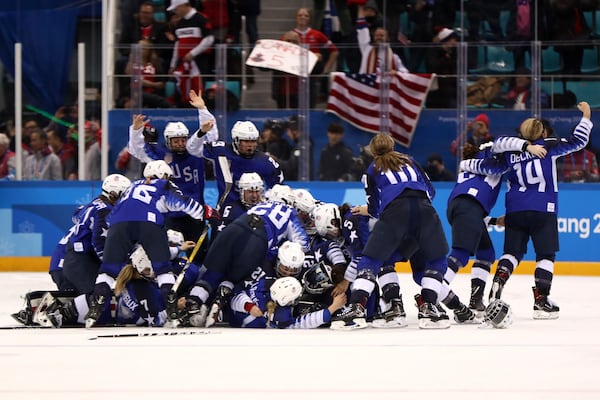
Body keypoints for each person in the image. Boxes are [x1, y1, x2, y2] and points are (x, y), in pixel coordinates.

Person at [461, 102, 593, 319]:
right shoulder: (549, 146)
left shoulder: (511, 152)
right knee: (546, 255)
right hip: (544, 208)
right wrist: (586, 116)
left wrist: (466, 165)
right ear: (542, 132)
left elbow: (490, 166)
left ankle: (497, 284)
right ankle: (541, 301)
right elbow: (579, 141)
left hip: (516, 209)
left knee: (512, 254)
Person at [332, 133, 450, 329]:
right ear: (392, 145)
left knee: (372, 260)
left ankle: (357, 308)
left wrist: (366, 209)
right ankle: (429, 307)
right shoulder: (410, 161)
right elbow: (431, 192)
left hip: (395, 213)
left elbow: (374, 208)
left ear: (372, 151)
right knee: (437, 261)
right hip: (424, 210)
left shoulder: (372, 170)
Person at [85, 160, 220, 328]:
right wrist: (206, 212)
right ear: (162, 175)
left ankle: (96, 305)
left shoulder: (131, 187)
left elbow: (114, 215)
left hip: (118, 224)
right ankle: (171, 309)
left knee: (108, 271)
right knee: (163, 270)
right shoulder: (162, 185)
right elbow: (181, 202)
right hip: (148, 223)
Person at [446, 139, 547, 316]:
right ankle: (434, 291)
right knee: (460, 254)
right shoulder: (490, 164)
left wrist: (493, 221)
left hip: (465, 208)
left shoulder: (474, 165)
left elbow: (472, 213)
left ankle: (476, 300)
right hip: (468, 208)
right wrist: (527, 148)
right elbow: (504, 149)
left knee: (486, 254)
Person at [127, 89, 218, 243]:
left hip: (194, 214)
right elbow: (137, 149)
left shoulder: (196, 152)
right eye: (176, 141)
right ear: (168, 141)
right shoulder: (160, 154)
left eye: (183, 140)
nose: (180, 143)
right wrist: (136, 131)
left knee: (199, 256)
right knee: (170, 253)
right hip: (169, 215)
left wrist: (202, 109)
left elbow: (211, 134)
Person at [61, 174, 132, 295]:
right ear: (113, 194)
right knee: (99, 296)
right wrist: (113, 266)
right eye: (124, 195)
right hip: (83, 261)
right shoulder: (106, 211)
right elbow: (99, 242)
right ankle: (63, 312)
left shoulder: (95, 203)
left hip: (77, 258)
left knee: (100, 294)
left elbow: (76, 215)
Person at [202, 120, 283, 208]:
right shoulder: (221, 151)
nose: (250, 145)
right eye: (246, 141)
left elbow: (277, 189)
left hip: (255, 212)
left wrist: (267, 200)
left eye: (253, 141)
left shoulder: (266, 162)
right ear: (236, 140)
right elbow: (194, 149)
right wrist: (201, 131)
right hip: (226, 210)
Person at [167, 0, 215, 105]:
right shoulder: (180, 23)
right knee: (181, 89)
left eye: (176, 8)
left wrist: (193, 53)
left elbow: (209, 39)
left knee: (198, 91)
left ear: (183, 5)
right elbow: (177, 45)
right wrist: (173, 64)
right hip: (182, 65)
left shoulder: (201, 19)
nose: (175, 11)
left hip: (199, 63)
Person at [292, 7, 339, 107]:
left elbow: (334, 51)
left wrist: (325, 70)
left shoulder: (317, 34)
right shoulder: (290, 35)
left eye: (306, 15)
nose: (303, 17)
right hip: (294, 77)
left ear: (309, 19)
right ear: (296, 18)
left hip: (313, 76)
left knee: (311, 104)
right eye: (300, 15)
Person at [355, 4, 408, 74]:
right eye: (376, 35)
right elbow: (361, 28)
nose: (378, 37)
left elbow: (405, 73)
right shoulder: (366, 49)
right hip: (367, 84)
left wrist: (396, 72)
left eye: (381, 35)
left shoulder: (394, 57)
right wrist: (360, 6)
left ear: (388, 38)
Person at [425, 27, 458, 109]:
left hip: (450, 91)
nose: (455, 42)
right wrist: (445, 57)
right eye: (453, 40)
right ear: (447, 40)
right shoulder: (433, 52)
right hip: (436, 92)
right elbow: (433, 67)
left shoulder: (454, 53)